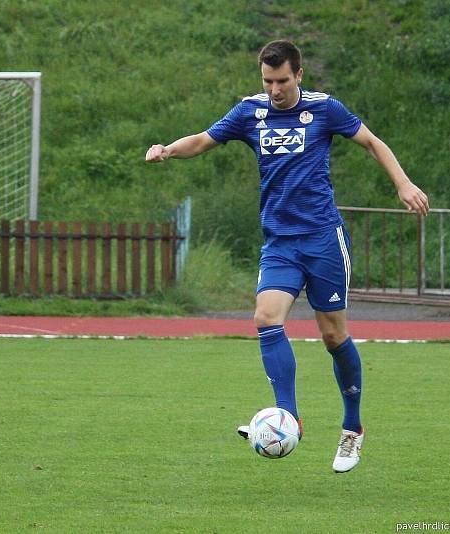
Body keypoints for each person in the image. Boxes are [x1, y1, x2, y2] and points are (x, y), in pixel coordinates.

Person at [145, 39, 429, 472]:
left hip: (322, 239)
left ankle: (352, 429)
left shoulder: (324, 109)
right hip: (280, 241)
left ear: (298, 75)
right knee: (265, 318)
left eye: (281, 80)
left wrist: (403, 184)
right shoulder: (249, 113)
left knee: (334, 337)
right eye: (267, 80)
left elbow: (372, 142)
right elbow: (203, 140)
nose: (274, 89)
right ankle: (287, 417)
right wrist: (168, 149)